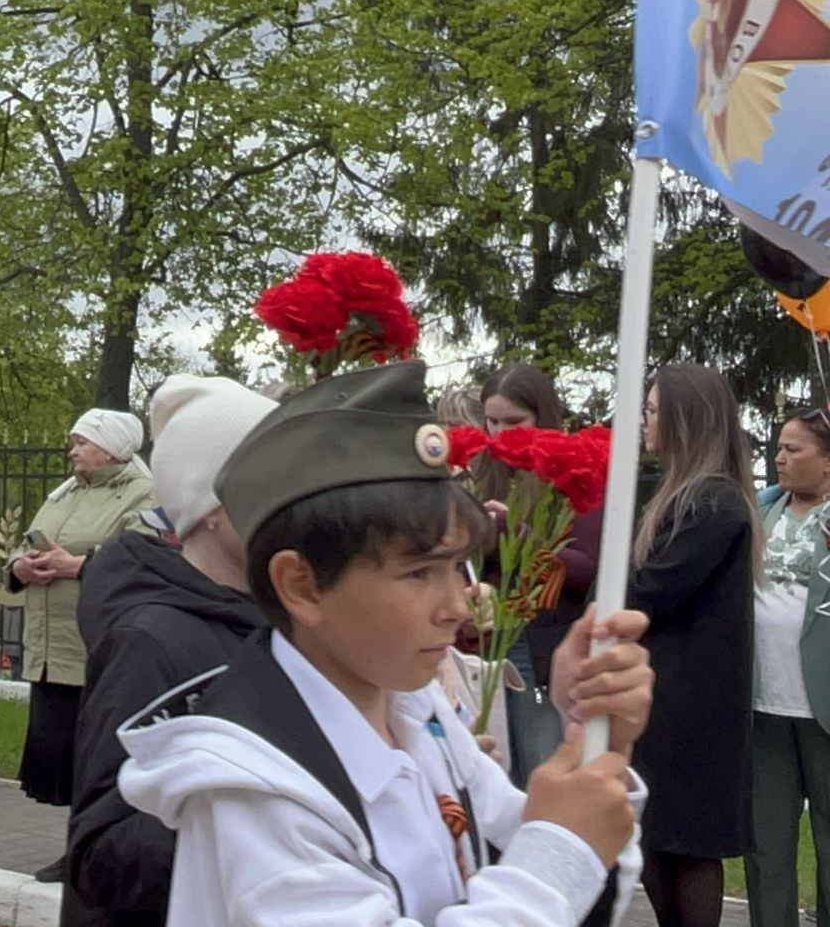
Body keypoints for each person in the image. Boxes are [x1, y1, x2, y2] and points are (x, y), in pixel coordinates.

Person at [119, 360, 654, 926]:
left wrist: (594, 741)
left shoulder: (417, 713)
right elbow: (546, 869)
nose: (457, 606)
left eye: (457, 568)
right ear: (301, 585)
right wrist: (560, 848)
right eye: (420, 573)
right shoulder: (257, 788)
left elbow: (527, 866)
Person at [63, 375, 275, 926]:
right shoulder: (148, 642)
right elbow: (102, 854)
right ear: (210, 505)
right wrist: (243, 811)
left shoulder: (288, 626)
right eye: (271, 476)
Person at [628, 363, 759, 926]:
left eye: (653, 409)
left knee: (685, 845)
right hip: (672, 700)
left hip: (691, 706)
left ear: (684, 418)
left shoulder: (712, 504)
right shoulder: (690, 497)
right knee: (658, 844)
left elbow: (649, 591)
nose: (643, 420)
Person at [6, 408, 156, 878]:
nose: (72, 450)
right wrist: (20, 567)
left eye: (81, 442)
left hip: (97, 646)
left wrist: (79, 565)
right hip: (50, 648)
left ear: (109, 448)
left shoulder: (143, 493)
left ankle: (93, 855)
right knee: (64, 756)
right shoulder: (66, 491)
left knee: (98, 759)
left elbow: (144, 559)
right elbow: (27, 543)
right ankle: (79, 848)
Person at [476, 363, 604, 785]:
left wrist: (515, 530)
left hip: (543, 649)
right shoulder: (486, 473)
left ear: (543, 418)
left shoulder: (570, 472)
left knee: (542, 771)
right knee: (491, 774)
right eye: (491, 421)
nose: (500, 434)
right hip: (487, 643)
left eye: (514, 422)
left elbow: (586, 567)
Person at [746, 408, 830, 927]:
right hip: (764, 706)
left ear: (826, 462)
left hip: (824, 705)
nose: (779, 457)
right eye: (778, 447)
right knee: (766, 847)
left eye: (794, 449)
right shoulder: (760, 511)